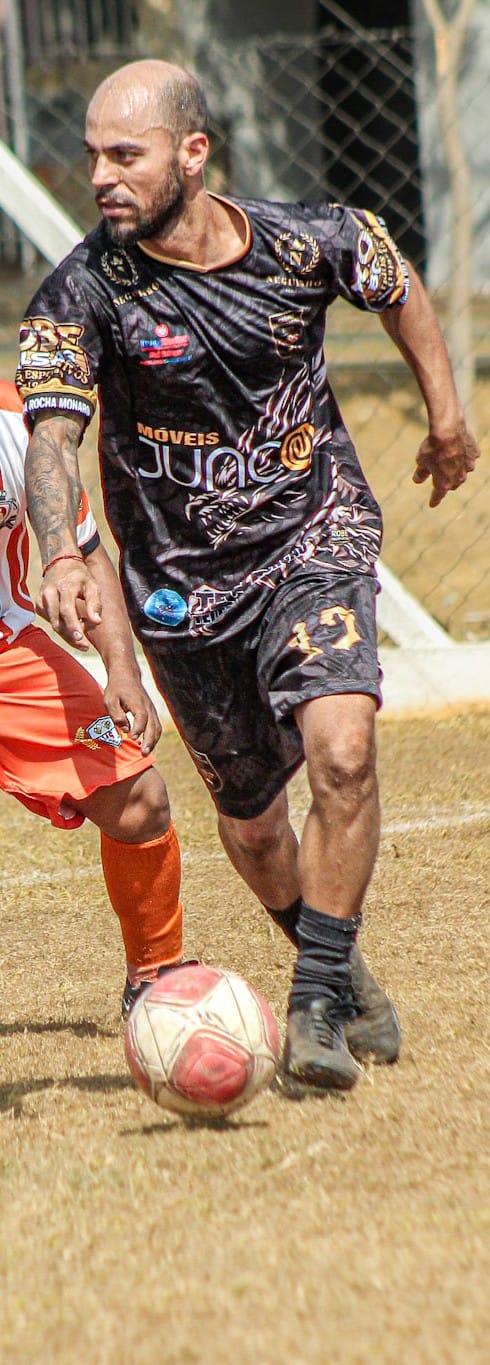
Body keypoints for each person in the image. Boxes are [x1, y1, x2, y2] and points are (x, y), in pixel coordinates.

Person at [17, 60, 479, 1092]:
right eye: (92, 156)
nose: (101, 177)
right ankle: (338, 962)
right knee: (255, 824)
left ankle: (311, 1006)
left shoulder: (303, 241)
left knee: (343, 750)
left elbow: (392, 276)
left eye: (125, 154)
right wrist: (60, 551)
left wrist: (446, 412)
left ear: (193, 153)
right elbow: (51, 438)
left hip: (313, 536)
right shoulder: (82, 291)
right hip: (182, 590)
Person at [0, 378, 185, 1023]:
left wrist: (122, 668)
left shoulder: (22, 427)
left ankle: (157, 979)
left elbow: (83, 550)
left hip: (7, 656)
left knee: (139, 797)